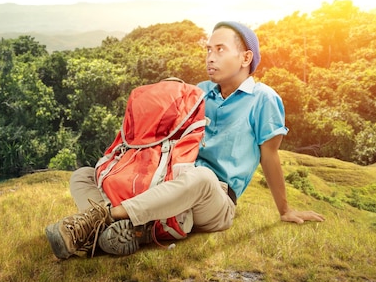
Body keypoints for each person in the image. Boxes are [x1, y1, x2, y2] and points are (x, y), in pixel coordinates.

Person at [45, 21, 325, 259]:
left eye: (220, 50)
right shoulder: (199, 91)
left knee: (202, 177)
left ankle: (101, 219)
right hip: (169, 181)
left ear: (245, 57)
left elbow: (270, 155)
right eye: (208, 50)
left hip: (215, 199)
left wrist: (285, 209)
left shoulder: (263, 99)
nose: (210, 57)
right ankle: (134, 230)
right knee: (83, 175)